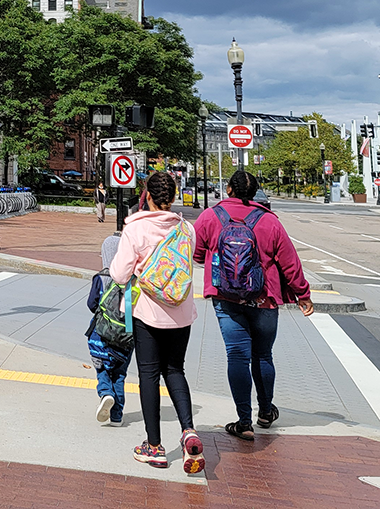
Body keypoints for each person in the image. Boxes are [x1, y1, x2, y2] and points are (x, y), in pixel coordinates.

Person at [194, 169, 314, 441]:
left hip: (226, 298)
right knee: (263, 356)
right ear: (256, 192)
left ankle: (244, 421)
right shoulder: (270, 221)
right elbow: (289, 263)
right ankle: (265, 412)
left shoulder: (210, 216)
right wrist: (302, 294)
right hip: (265, 298)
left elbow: (198, 254)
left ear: (229, 189)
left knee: (237, 356)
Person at [110, 171, 204, 473]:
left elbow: (119, 274)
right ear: (174, 197)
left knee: (148, 375)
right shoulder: (186, 229)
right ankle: (188, 429)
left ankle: (154, 446)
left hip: (148, 313)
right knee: (175, 370)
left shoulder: (135, 230)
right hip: (181, 313)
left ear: (147, 195)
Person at [86, 234, 132, 426]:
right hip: (127, 336)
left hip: (102, 334)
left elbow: (91, 304)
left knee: (102, 367)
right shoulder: (132, 278)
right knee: (120, 374)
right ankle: (116, 416)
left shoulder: (101, 277)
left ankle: (105, 392)